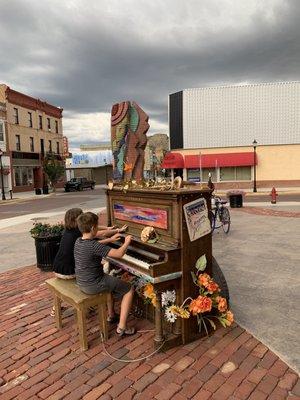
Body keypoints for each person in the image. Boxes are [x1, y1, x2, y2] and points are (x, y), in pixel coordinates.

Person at [74, 212, 135, 337]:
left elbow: (96, 246)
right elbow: (118, 254)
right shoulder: (93, 245)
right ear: (92, 228)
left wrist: (110, 240)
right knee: (129, 289)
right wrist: (127, 242)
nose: (97, 228)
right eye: (96, 226)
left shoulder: (79, 241)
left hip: (81, 281)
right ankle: (122, 327)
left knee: (112, 278)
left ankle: (112, 315)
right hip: (94, 284)